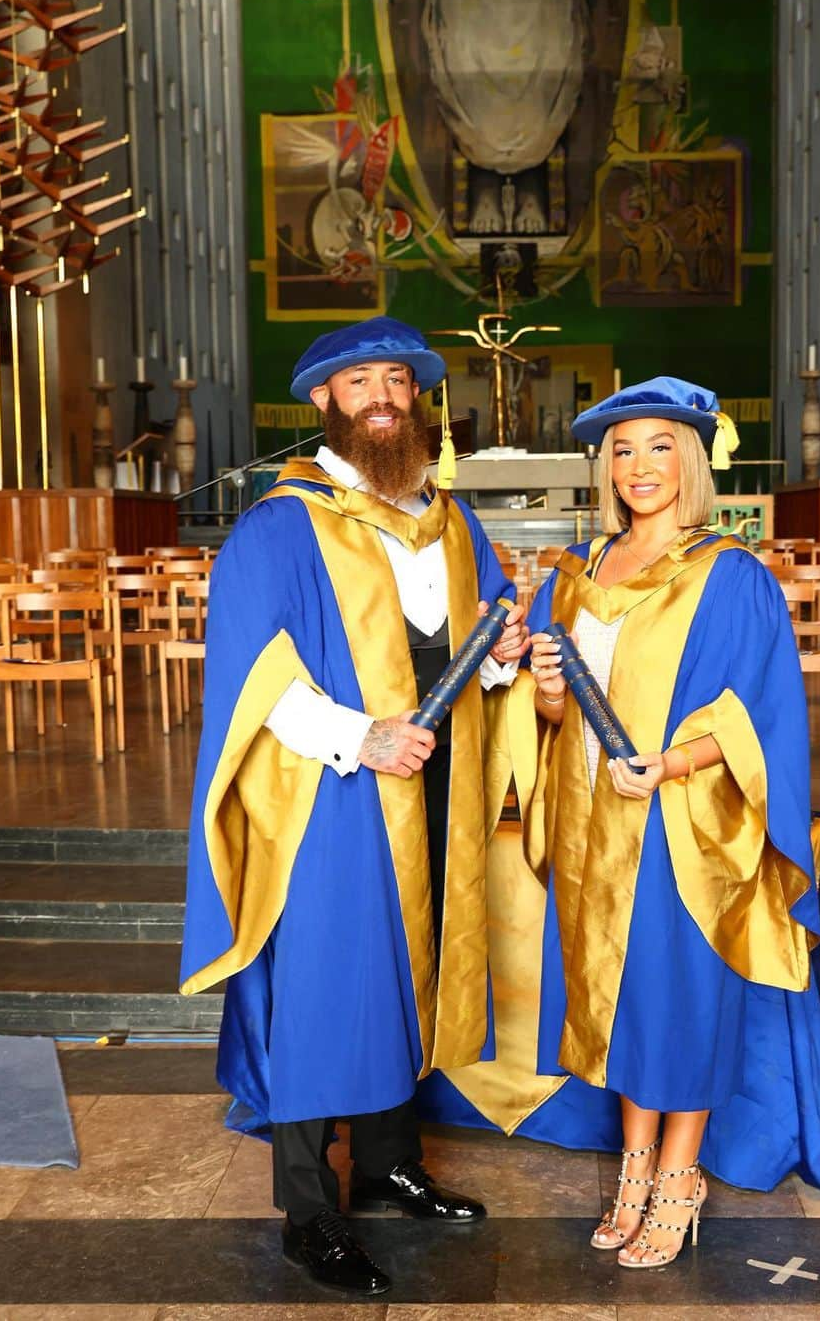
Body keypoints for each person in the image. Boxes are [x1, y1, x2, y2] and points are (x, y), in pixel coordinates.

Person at [519, 377, 820, 1269]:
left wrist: (673, 764)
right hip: (595, 826)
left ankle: (681, 1174)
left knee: (678, 1000)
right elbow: (554, 717)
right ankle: (634, 1162)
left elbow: (756, 714)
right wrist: (550, 696)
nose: (640, 467)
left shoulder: (730, 574)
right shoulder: (576, 570)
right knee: (620, 997)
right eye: (624, 450)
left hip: (680, 824)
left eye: (660, 447)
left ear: (693, 460)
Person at [179, 315, 529, 1296]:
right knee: (327, 991)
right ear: (325, 400)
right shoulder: (282, 525)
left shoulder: (452, 523)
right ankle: (308, 1210)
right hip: (333, 797)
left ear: (415, 397)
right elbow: (256, 677)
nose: (381, 392)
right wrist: (356, 737)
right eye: (357, 380)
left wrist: (502, 662)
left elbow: (479, 653)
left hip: (438, 789)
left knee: (405, 972)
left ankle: (386, 1167)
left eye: (397, 377)